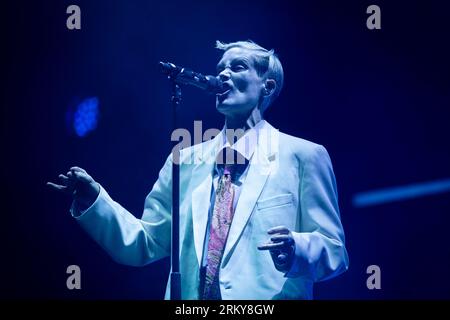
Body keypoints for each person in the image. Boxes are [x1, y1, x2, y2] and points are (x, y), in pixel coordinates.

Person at [47, 40, 349, 300]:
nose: (223, 74)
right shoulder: (184, 161)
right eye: (221, 68)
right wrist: (95, 201)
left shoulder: (303, 156)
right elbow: (144, 243)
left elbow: (335, 251)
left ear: (266, 86)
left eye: (238, 66)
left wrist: (298, 249)